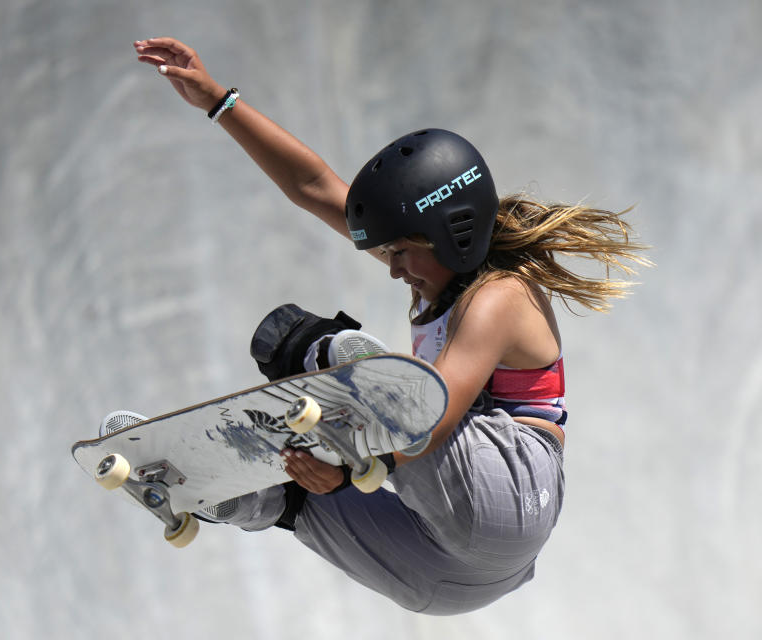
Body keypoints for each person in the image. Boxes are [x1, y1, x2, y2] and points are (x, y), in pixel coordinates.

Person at [130, 36, 650, 615]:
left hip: (512, 495)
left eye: (401, 253)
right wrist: (217, 101)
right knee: (296, 497)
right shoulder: (435, 266)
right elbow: (315, 187)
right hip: (446, 575)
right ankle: (223, 492)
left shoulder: (500, 297)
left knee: (309, 353)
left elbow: (434, 416)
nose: (394, 270)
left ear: (452, 232)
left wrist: (351, 465)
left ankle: (359, 382)